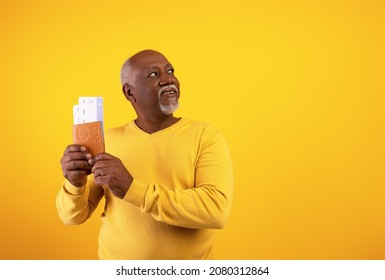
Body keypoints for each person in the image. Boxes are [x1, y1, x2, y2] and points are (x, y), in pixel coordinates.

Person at [56, 50, 233, 259]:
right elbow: (73, 217)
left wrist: (132, 189)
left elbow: (216, 211)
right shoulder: (107, 142)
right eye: (153, 75)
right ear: (130, 93)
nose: (167, 79)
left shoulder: (206, 137)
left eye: (170, 71)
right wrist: (75, 184)